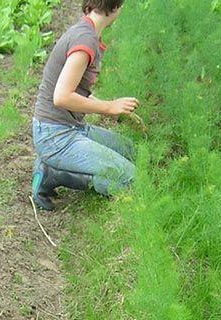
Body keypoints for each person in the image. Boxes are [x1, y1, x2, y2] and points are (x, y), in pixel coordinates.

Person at [31, 0, 140, 211]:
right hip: (56, 136)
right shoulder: (85, 40)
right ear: (116, 8)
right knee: (130, 180)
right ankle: (55, 173)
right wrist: (109, 107)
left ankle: (57, 167)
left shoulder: (87, 32)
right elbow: (62, 97)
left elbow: (74, 93)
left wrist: (115, 111)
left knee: (131, 151)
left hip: (71, 127)